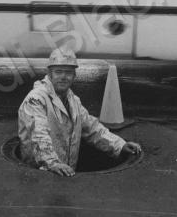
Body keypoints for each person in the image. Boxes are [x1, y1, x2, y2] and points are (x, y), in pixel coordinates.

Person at [18, 47, 141, 177]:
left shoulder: (73, 101)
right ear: (49, 74)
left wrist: (120, 145)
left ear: (75, 76)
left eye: (68, 72)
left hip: (64, 173)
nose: (63, 77)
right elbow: (38, 135)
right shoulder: (35, 99)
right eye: (58, 72)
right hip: (39, 176)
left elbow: (92, 128)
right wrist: (52, 163)